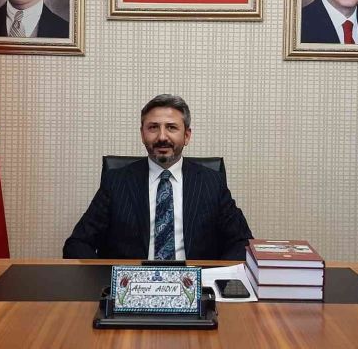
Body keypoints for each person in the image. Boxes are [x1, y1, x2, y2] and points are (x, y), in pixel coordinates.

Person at [63, 94, 253, 260]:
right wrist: (107, 281)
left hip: (195, 283)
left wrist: (215, 279)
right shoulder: (116, 182)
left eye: (171, 127)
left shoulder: (212, 183)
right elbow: (77, 243)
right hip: (131, 285)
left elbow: (242, 242)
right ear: (142, 134)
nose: (162, 137)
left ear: (187, 136)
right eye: (153, 127)